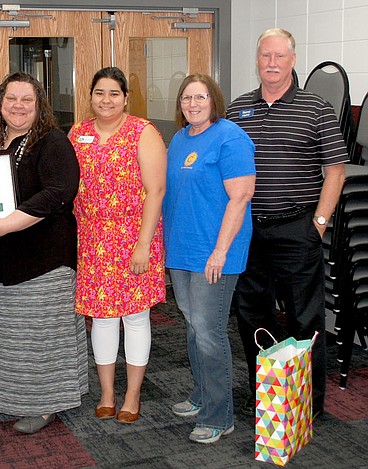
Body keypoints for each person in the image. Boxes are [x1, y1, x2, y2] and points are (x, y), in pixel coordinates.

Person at [227, 28, 348, 418]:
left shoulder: (316, 108)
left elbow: (336, 171)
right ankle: (264, 392)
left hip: (298, 228)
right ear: (257, 60)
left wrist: (319, 223)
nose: (272, 64)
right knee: (251, 315)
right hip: (248, 230)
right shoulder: (237, 109)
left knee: (304, 318)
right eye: (265, 56)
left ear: (293, 60)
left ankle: (307, 403)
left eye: (280, 56)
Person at [0, 71, 88, 434]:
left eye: (26, 100)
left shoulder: (53, 142)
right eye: (11, 99)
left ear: (39, 106)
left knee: (39, 338)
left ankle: (46, 403)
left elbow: (58, 193)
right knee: (2, 336)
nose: (18, 107)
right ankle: (5, 397)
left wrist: (8, 224)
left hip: (42, 261)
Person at [69, 66, 166, 424]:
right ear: (90, 96)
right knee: (102, 319)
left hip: (134, 238)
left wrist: (142, 245)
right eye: (99, 93)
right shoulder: (77, 132)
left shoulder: (143, 132)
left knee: (136, 318)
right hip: (92, 240)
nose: (106, 100)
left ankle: (133, 395)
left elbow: (156, 191)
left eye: (114, 93)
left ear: (126, 98)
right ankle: (107, 393)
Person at [163, 73, 256, 443]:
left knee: (210, 331)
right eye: (187, 98)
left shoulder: (231, 137)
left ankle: (220, 415)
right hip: (182, 250)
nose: (193, 104)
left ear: (213, 99)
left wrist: (220, 252)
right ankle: (202, 395)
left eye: (200, 97)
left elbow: (241, 196)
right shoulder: (179, 139)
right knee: (193, 326)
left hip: (215, 253)